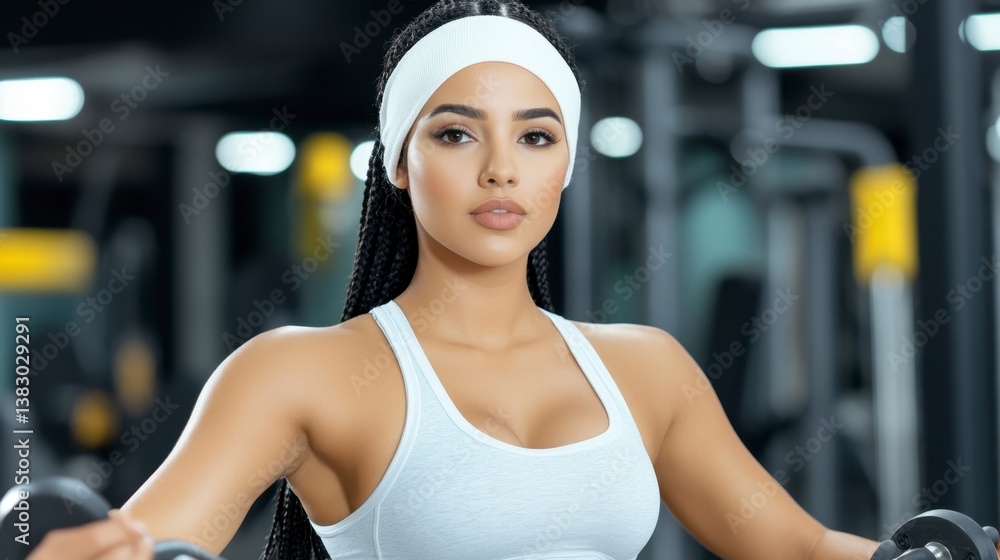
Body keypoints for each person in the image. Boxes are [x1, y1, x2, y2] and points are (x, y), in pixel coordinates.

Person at [26, 1, 993, 559]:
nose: (501, 170)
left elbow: (793, 549)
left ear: (565, 165)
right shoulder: (301, 374)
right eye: (456, 133)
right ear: (400, 163)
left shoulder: (645, 370)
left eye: (535, 137)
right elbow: (147, 543)